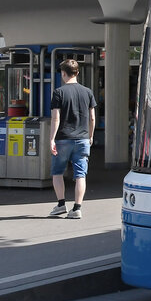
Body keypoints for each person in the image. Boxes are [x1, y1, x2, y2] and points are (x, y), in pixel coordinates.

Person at [48, 59, 97, 218]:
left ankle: (61, 204)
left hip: (63, 138)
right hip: (82, 139)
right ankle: (77, 208)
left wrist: (51, 139)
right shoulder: (88, 92)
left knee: (57, 173)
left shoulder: (59, 92)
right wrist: (90, 136)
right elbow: (92, 118)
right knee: (80, 175)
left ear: (63, 73)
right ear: (77, 73)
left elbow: (55, 118)